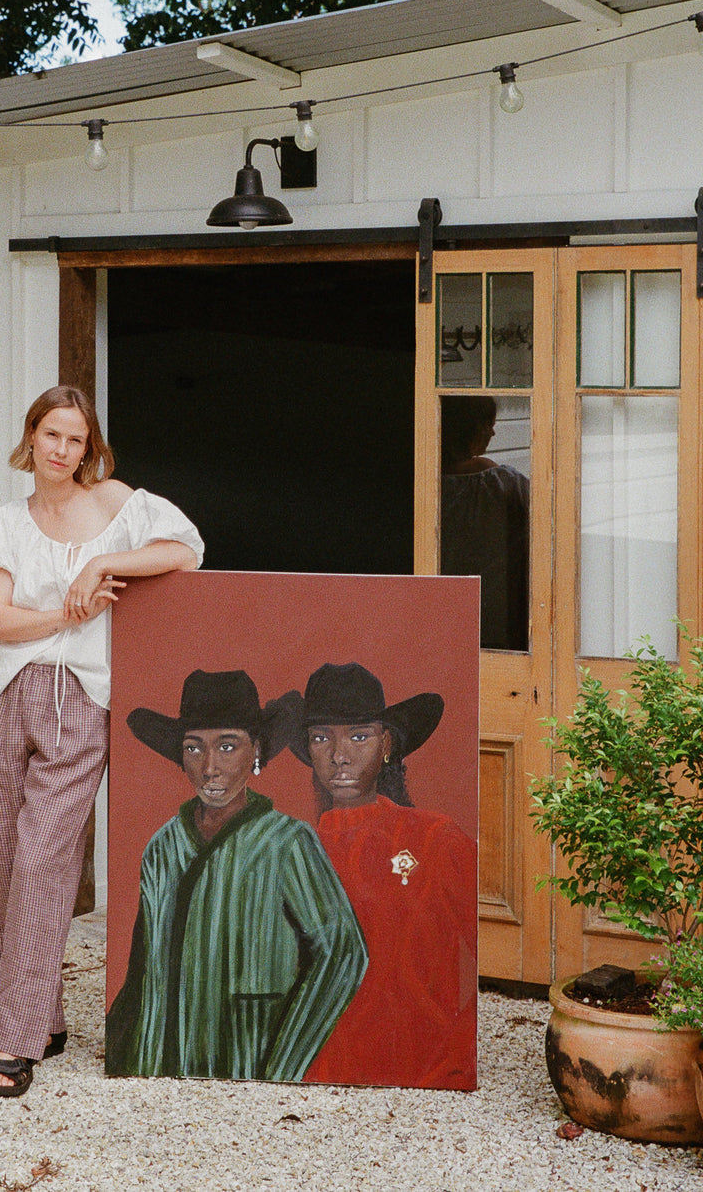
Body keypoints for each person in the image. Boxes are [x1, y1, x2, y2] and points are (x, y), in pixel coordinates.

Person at [0, 385, 203, 1098]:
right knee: (2, 866)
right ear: (32, 436)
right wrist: (62, 612)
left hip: (83, 702)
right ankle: (39, 1016)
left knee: (45, 860)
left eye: (75, 438)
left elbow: (186, 548)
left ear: (87, 447)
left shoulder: (115, 504)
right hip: (4, 698)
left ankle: (13, 1046)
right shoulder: (6, 523)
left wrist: (103, 567)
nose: (61, 449)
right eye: (50, 434)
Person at [105, 668, 368, 1082]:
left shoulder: (287, 842)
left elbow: (343, 952)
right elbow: (142, 969)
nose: (209, 767)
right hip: (157, 1063)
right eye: (194, 749)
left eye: (227, 747)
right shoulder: (162, 848)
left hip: (250, 1060)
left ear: (256, 751)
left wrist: (285, 1065)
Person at [291, 662, 477, 1089]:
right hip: (318, 1075)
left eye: (359, 736)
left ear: (387, 743)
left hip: (426, 1071)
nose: (339, 755)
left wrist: (454, 1051)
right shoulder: (295, 853)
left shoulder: (434, 838)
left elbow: (484, 949)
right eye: (322, 738)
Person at [440, 394, 530, 651]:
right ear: (469, 427)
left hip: (447, 612)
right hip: (499, 613)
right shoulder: (500, 483)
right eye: (488, 423)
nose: (493, 432)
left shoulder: (426, 480)